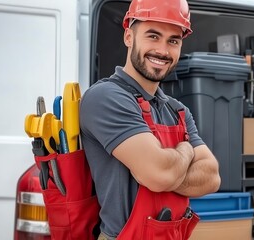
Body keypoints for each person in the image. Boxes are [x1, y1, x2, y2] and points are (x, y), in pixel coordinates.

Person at [79, 0, 221, 239]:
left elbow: (211, 177)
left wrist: (164, 170)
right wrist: (185, 152)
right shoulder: (106, 97)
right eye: (153, 36)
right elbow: (158, 174)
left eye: (173, 41)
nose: (163, 51)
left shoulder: (177, 110)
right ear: (128, 37)